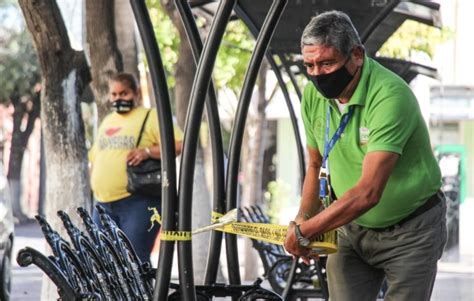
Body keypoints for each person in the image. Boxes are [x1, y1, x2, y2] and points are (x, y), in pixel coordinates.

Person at [283, 11, 447, 301]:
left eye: (327, 63)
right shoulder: (313, 96)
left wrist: (307, 231)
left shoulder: (390, 96)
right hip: (351, 230)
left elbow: (369, 192)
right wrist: (302, 219)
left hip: (411, 231)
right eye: (310, 65)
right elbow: (314, 164)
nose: (318, 74)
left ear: (356, 54)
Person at [89, 72, 183, 263]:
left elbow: (179, 144)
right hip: (102, 205)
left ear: (136, 93)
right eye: (114, 95)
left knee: (136, 261)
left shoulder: (151, 117)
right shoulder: (108, 121)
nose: (118, 99)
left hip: (138, 202)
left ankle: (146, 294)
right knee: (104, 262)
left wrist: (147, 151)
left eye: (124, 94)